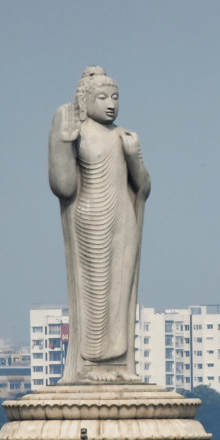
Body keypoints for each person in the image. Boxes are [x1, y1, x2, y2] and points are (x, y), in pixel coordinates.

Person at [49, 67, 151, 382]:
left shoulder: (124, 136)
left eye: (115, 97)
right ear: (85, 100)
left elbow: (143, 188)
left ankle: (119, 364)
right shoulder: (75, 130)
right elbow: (64, 187)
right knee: (94, 291)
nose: (111, 104)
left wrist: (134, 158)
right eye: (102, 97)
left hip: (123, 218)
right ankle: (90, 364)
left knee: (120, 294)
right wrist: (63, 146)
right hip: (90, 217)